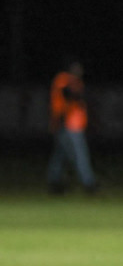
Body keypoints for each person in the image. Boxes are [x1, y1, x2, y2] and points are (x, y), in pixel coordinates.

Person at [47, 58, 97, 194]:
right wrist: (81, 96)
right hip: (67, 123)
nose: (79, 70)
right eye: (76, 67)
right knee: (79, 154)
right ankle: (89, 183)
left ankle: (54, 181)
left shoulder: (75, 81)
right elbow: (67, 93)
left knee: (60, 154)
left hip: (70, 124)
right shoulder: (63, 79)